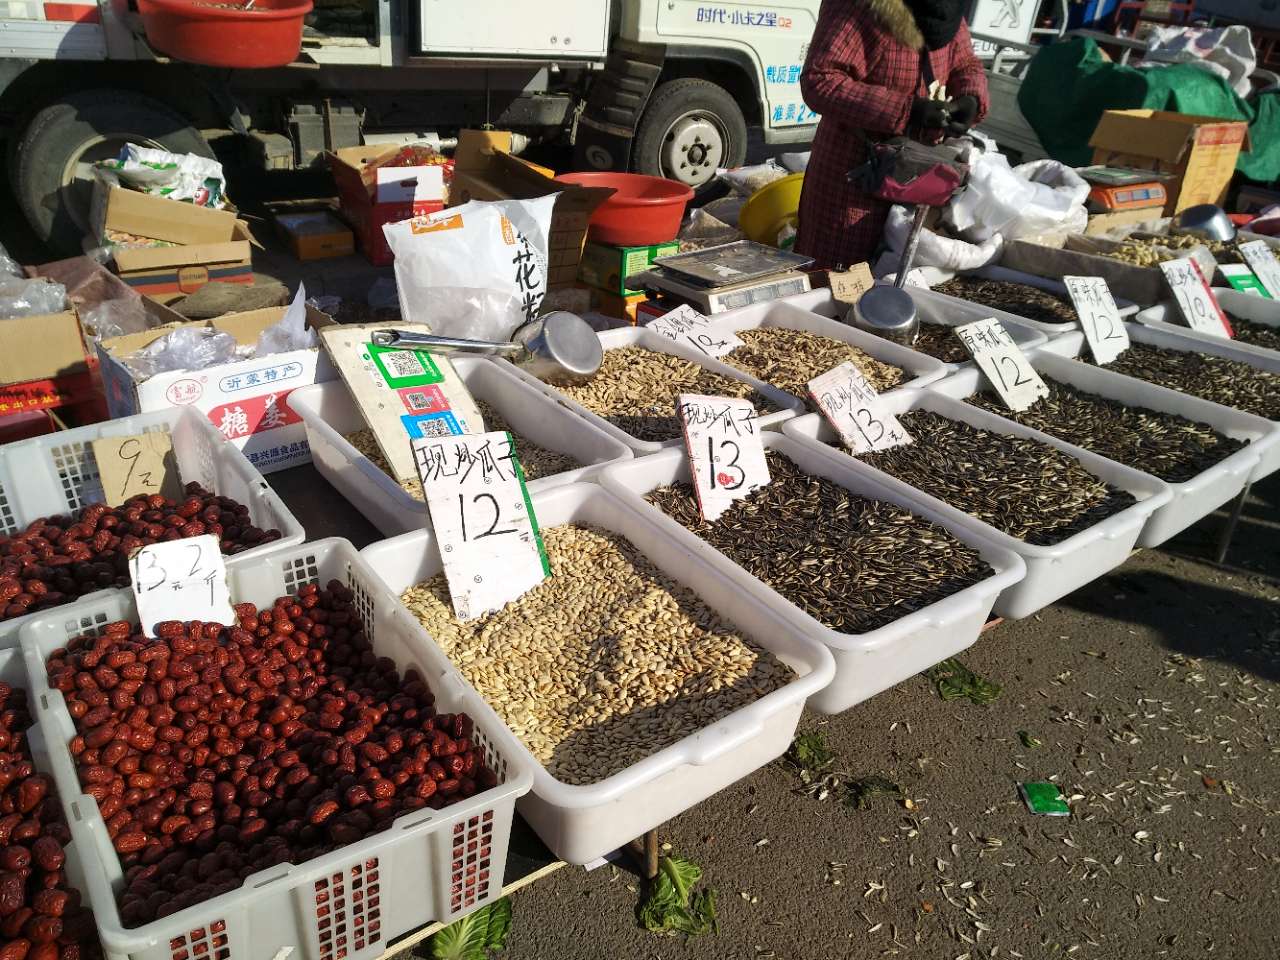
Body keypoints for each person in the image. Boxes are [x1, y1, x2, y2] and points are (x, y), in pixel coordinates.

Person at [795, 0, 990, 270]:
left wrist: (971, 97)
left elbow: (966, 63)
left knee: (898, 278)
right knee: (836, 276)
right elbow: (820, 79)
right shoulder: (859, 5)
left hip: (921, 173)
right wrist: (906, 110)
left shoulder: (947, 8)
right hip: (855, 176)